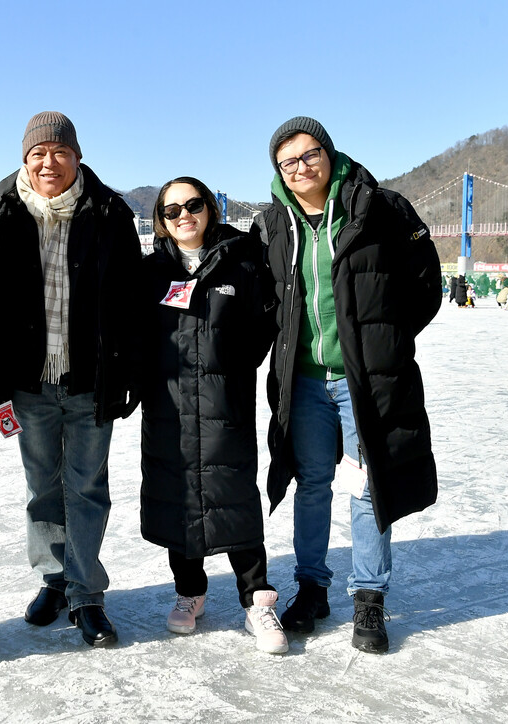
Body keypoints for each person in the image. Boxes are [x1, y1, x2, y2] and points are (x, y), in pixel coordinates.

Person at [252, 117, 440, 654]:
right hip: (304, 382)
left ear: (329, 154)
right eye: (288, 162)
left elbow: (425, 282)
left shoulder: (379, 208)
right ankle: (312, 588)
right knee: (312, 485)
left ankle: (369, 597)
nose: (301, 168)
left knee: (367, 486)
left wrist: (386, 343)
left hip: (364, 383)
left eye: (309, 155)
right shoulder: (271, 226)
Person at [0, 111, 142, 648]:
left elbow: (130, 301)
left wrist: (127, 374)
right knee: (41, 488)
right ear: (23, 160)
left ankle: (86, 592)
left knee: (86, 486)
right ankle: (53, 580)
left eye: (60, 152)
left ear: (77, 157)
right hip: (28, 381)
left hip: (88, 380)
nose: (48, 162)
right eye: (38, 154)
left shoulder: (109, 213)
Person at [139, 176, 286, 653]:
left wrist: (237, 363)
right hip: (169, 409)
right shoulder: (151, 273)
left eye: (194, 204)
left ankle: (258, 600)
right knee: (177, 494)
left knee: (234, 494)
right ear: (161, 221)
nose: (184, 215)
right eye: (171, 210)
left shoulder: (241, 262)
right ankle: (190, 592)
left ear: (210, 209)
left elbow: (267, 323)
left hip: (226, 404)